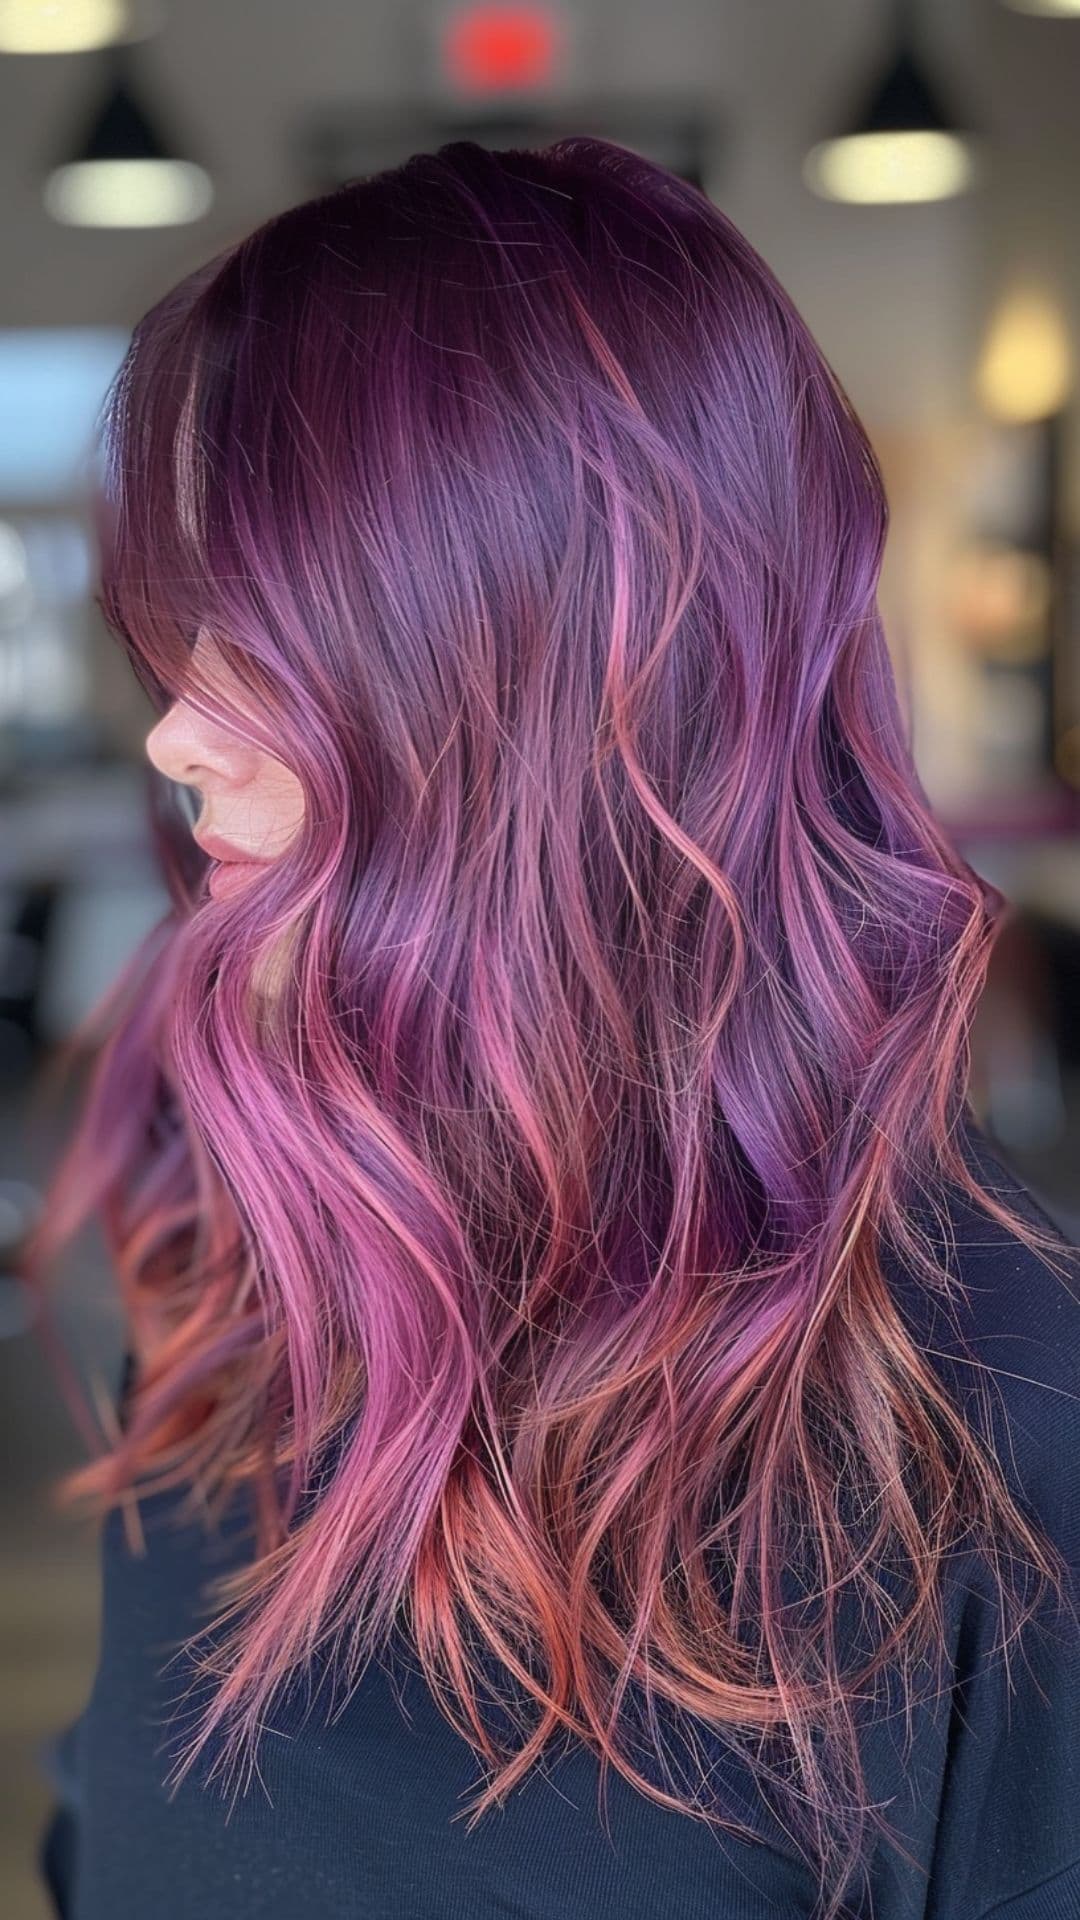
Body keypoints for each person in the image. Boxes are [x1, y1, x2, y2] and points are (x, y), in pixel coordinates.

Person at [23, 136, 1080, 1920]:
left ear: (545, 665)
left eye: (265, 633)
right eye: (183, 624)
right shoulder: (236, 1270)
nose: (173, 735)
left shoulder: (987, 1430)